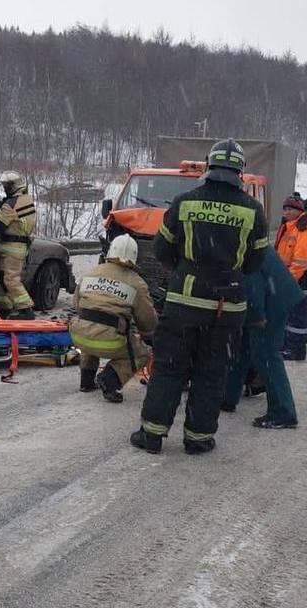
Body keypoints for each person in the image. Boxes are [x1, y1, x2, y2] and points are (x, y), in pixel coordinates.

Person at [130, 139, 268, 455]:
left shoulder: (185, 203)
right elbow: (255, 263)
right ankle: (198, 437)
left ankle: (152, 434)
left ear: (209, 166)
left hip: (183, 302)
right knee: (212, 371)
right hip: (227, 307)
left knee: (169, 367)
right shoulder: (252, 211)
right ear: (240, 172)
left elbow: (162, 250)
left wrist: (186, 269)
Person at [70, 234, 158, 402]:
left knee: (91, 325)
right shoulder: (137, 283)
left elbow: (77, 304)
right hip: (108, 340)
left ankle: (86, 381)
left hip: (79, 336)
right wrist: (149, 335)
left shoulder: (92, 272)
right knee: (142, 353)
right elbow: (147, 322)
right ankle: (110, 379)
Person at [221, 250, 302, 428]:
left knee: (265, 353)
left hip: (270, 301)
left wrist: (257, 316)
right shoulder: (239, 238)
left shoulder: (242, 249)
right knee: (241, 346)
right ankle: (227, 396)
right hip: (271, 293)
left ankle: (283, 411)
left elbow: (252, 285)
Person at [275, 196, 307, 361]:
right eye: (285, 209)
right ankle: (288, 344)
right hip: (291, 278)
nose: (287, 212)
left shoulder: (305, 229)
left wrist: (288, 280)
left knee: (297, 315)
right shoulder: (288, 226)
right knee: (290, 313)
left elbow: (301, 261)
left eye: (291, 209)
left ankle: (296, 349)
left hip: (301, 280)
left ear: (299, 211)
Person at [0, 171, 38, 319]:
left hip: (12, 246)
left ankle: (26, 309)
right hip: (16, 245)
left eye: (7, 185)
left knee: (10, 279)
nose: (5, 188)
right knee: (2, 278)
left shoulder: (11, 203)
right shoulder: (26, 199)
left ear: (14, 185)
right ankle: (3, 307)